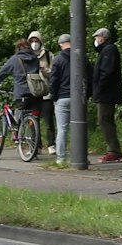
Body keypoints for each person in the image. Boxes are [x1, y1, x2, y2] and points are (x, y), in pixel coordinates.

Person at [0, 34, 51, 152]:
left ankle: (20, 136)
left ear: (17, 49)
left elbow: (2, 73)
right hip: (36, 92)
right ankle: (35, 147)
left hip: (21, 93)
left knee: (20, 113)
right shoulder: (34, 58)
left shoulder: (15, 59)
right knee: (34, 118)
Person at [92, 27, 122, 162]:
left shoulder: (108, 50)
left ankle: (113, 150)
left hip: (106, 93)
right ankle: (113, 149)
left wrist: (99, 89)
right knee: (106, 119)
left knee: (104, 119)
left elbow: (106, 72)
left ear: (102, 37)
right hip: (107, 92)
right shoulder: (108, 50)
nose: (95, 40)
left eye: (96, 37)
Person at [48, 34, 76, 162]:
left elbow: (53, 80)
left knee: (62, 129)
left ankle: (61, 158)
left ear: (61, 44)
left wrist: (53, 96)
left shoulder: (58, 60)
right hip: (77, 98)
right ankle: (80, 157)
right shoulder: (80, 57)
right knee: (79, 128)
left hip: (62, 98)